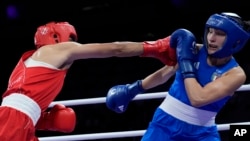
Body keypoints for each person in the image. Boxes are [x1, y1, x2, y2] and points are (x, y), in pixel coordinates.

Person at [0, 21, 177, 141]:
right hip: (15, 122)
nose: (73, 44)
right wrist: (155, 47)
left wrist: (45, 120)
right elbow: (116, 48)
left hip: (19, 122)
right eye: (71, 40)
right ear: (57, 38)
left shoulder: (26, 64)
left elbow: (17, 105)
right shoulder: (58, 50)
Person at [106, 12, 250, 141]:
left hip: (202, 133)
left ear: (235, 39)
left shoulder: (235, 74)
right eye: (210, 31)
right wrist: (133, 89)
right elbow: (164, 74)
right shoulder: (194, 50)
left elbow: (198, 98)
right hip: (164, 125)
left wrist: (186, 64)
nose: (211, 38)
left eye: (219, 33)